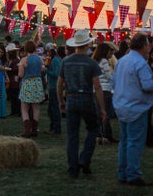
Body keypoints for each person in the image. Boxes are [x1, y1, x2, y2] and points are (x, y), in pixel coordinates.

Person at [57, 29, 106, 178]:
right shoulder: (91, 63)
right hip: (86, 98)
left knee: (72, 135)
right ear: (87, 45)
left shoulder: (66, 61)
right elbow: (97, 86)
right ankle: (84, 159)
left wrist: (60, 101)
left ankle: (73, 168)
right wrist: (102, 108)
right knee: (93, 129)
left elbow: (60, 84)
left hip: (71, 98)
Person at [112, 33, 153, 187]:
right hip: (136, 107)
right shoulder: (141, 63)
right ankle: (133, 174)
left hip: (121, 105)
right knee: (135, 142)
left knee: (124, 141)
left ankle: (123, 172)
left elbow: (113, 83)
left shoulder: (121, 61)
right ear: (144, 46)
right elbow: (147, 86)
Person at [19, 40, 45, 137]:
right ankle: (34, 130)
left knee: (24, 107)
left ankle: (26, 130)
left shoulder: (24, 60)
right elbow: (42, 69)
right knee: (36, 107)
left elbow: (21, 74)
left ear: (25, 49)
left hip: (27, 82)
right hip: (37, 82)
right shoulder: (40, 59)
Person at [91, 42, 116, 143]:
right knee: (105, 113)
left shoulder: (95, 61)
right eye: (110, 52)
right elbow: (109, 76)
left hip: (95, 89)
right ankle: (106, 134)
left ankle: (99, 134)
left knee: (98, 112)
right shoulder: (104, 61)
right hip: (105, 89)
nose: (111, 54)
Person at [45, 46, 62, 134]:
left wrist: (46, 70)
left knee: (54, 108)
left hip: (54, 86)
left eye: (48, 51)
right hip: (51, 86)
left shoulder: (55, 61)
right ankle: (53, 127)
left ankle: (56, 127)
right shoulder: (53, 60)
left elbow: (56, 74)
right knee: (51, 109)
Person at [6, 43, 22, 117]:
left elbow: (16, 69)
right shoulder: (12, 60)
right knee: (13, 97)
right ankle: (13, 111)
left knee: (15, 97)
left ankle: (17, 111)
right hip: (12, 81)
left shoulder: (16, 60)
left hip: (15, 80)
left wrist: (9, 69)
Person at [0, 44, 9, 120]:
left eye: (2, 52)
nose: (0, 53)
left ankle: (1, 113)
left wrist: (7, 77)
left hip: (1, 77)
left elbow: (3, 69)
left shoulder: (3, 60)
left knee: (2, 96)